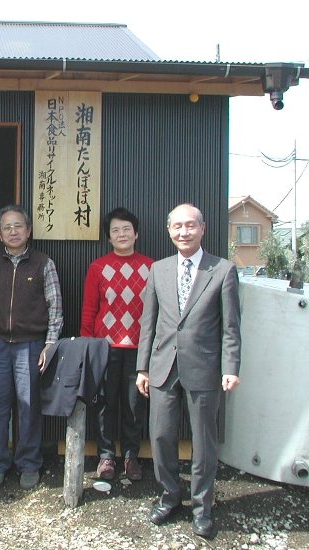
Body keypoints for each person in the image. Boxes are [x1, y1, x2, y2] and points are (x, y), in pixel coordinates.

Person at [136, 203, 241, 539]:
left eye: (190, 226)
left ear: (203, 228)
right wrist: (142, 368)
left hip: (206, 368)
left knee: (204, 443)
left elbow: (231, 326)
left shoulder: (222, 270)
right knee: (162, 436)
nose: (184, 232)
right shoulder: (159, 270)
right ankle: (169, 496)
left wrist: (231, 367)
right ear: (169, 231)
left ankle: (202, 507)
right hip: (163, 367)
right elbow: (148, 324)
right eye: (177, 226)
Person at [0, 204, 63, 490]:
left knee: (29, 407)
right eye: (7, 227)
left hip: (31, 346)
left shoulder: (43, 263)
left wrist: (50, 344)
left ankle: (29, 463)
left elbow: (55, 308)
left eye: (18, 226)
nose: (13, 231)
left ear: (29, 230)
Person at [80, 207, 153, 482]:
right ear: (108, 237)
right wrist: (88, 346)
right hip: (104, 348)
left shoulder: (151, 267)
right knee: (104, 403)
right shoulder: (98, 267)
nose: (121, 234)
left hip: (139, 349)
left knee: (135, 404)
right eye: (115, 230)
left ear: (136, 233)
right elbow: (89, 310)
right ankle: (106, 455)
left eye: (126, 229)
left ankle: (132, 455)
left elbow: (156, 311)